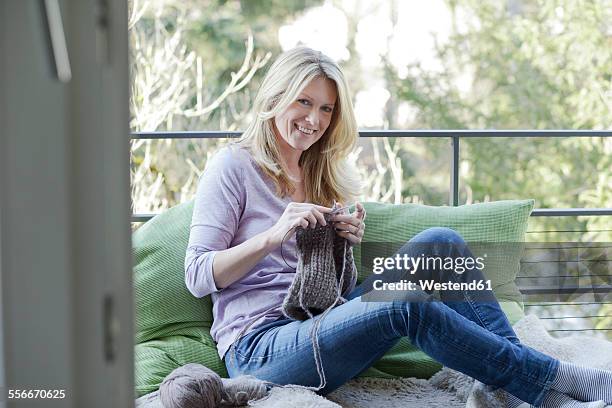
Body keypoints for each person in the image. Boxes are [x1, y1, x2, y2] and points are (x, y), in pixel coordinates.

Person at [184, 46, 612, 408]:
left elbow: (324, 289)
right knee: (404, 301)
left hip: (322, 319)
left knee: (441, 243)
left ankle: (510, 388)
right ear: (277, 97)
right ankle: (553, 382)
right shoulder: (232, 167)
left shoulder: (319, 174)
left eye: (326, 109)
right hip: (260, 348)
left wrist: (345, 242)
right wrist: (273, 235)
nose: (313, 120)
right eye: (303, 102)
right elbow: (198, 275)